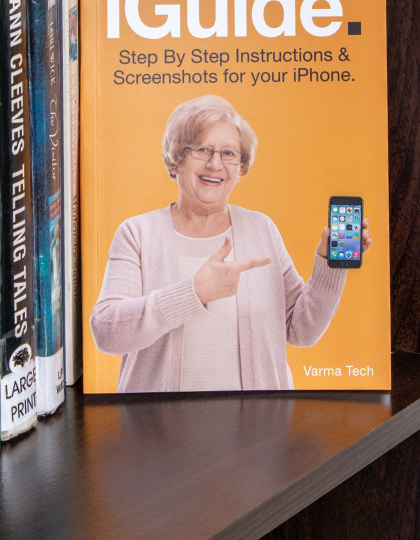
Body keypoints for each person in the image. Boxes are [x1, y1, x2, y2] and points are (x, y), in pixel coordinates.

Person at [90, 94, 372, 392]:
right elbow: (106, 332)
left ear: (241, 167)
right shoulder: (137, 233)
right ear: (177, 158)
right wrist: (194, 292)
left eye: (228, 153)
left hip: (259, 419)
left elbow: (302, 331)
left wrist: (330, 264)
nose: (215, 164)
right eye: (202, 149)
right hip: (158, 420)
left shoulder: (261, 229)